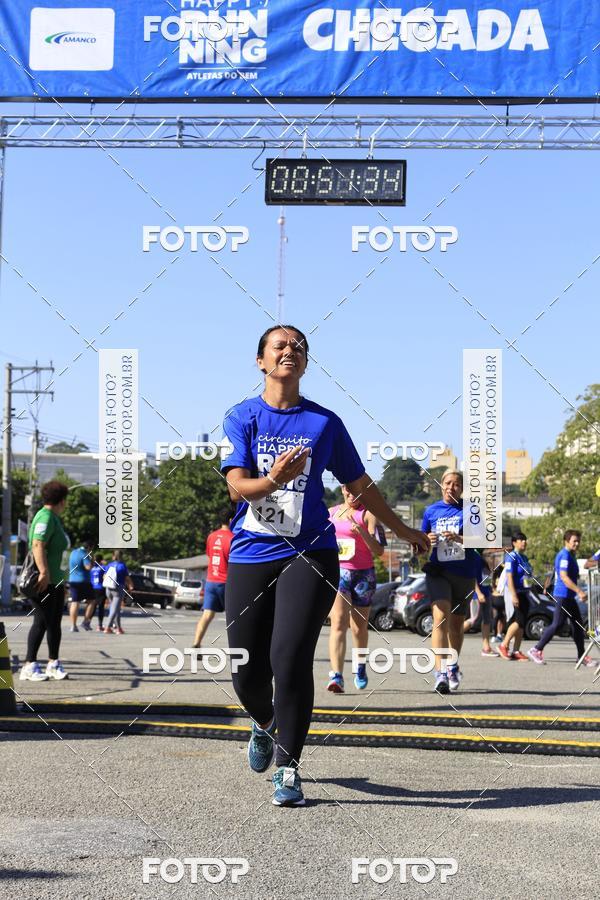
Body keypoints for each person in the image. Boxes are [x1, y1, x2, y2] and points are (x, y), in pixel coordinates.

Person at [221, 325, 429, 807]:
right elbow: (236, 487)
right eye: (280, 345)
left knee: (288, 657)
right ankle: (264, 722)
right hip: (252, 552)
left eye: (299, 347)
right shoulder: (242, 417)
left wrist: (401, 529)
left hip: (309, 552)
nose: (290, 351)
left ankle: (288, 768)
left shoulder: (324, 423)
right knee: (245, 670)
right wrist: (272, 477)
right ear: (260, 361)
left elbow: (360, 485)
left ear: (306, 363)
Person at [422, 469, 478, 694]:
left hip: (464, 573)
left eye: (456, 484)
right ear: (441, 485)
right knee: (440, 616)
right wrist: (426, 539)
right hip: (439, 571)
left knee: (456, 625)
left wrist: (460, 538)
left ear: (462, 488)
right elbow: (419, 544)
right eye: (447, 483)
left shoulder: (471, 511)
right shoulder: (431, 511)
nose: (451, 487)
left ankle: (453, 664)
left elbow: (482, 541)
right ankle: (440, 672)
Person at [327, 484, 384, 692]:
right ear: (342, 489)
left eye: (356, 491)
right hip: (339, 573)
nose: (352, 495)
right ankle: (336, 675)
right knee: (338, 622)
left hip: (363, 575)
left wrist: (362, 532)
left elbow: (378, 550)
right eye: (348, 491)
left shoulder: (368, 514)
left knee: (359, 627)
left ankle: (359, 666)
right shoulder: (331, 513)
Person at [19, 481, 70, 681]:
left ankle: (53, 663)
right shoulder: (45, 517)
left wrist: (61, 581)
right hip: (44, 581)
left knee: (54, 623)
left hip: (55, 581)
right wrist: (43, 572)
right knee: (41, 621)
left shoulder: (54, 519)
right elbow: (38, 544)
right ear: (62, 501)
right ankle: (29, 665)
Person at [528, 530, 595, 667]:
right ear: (566, 541)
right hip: (563, 595)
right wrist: (579, 591)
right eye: (574, 541)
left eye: (578, 541)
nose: (577, 543)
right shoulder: (564, 556)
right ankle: (536, 649)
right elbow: (564, 577)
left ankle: (581, 656)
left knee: (577, 625)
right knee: (557, 624)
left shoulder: (571, 555)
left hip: (569, 596)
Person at [192, 509, 233, 650]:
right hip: (225, 582)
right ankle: (238, 647)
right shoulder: (232, 538)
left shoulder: (211, 536)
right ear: (231, 520)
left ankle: (196, 642)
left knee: (207, 615)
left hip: (211, 580)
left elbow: (210, 555)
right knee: (234, 616)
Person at [498, 532, 532, 661]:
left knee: (522, 624)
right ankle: (503, 645)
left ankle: (516, 650)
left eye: (525, 540)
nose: (524, 542)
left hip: (524, 592)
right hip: (515, 592)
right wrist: (513, 595)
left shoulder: (524, 557)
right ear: (514, 542)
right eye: (521, 540)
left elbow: (527, 576)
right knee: (518, 621)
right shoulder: (511, 557)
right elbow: (509, 577)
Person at [470, 552, 498, 657]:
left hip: (486, 594)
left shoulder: (485, 560)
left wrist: (491, 590)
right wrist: (478, 593)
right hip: (477, 595)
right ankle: (450, 635)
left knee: (487, 620)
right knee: (473, 620)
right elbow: (472, 577)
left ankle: (486, 648)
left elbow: (486, 578)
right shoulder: (475, 557)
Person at [103, 551, 133, 635]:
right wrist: (131, 586)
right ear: (121, 556)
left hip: (108, 589)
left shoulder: (109, 565)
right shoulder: (122, 566)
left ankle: (118, 628)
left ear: (113, 556)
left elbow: (104, 576)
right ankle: (107, 627)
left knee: (116, 609)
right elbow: (127, 578)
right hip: (118, 589)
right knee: (114, 609)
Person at [67, 539, 93, 632]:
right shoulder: (85, 554)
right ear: (89, 548)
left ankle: (73, 626)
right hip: (84, 581)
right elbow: (88, 567)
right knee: (92, 601)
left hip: (72, 580)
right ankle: (85, 621)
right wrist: (91, 559)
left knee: (75, 602)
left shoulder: (73, 552)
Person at [90, 555, 107, 631]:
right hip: (100, 588)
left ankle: (88, 621)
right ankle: (99, 625)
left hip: (93, 588)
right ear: (101, 560)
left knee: (93, 606)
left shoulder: (92, 568)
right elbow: (106, 576)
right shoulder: (103, 567)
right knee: (101, 607)